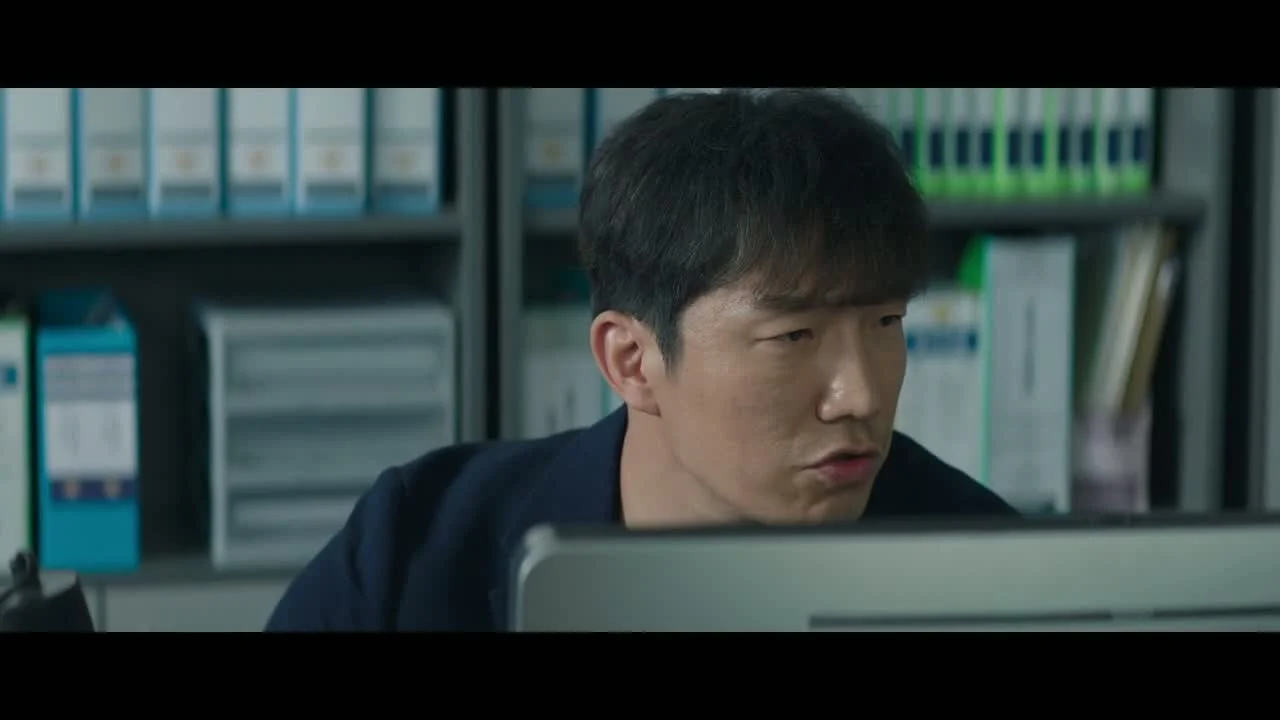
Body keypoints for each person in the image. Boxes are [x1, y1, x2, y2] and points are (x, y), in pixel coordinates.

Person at [265, 88, 1019, 632]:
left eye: (886, 322)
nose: (860, 395)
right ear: (630, 360)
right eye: (795, 336)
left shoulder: (996, 569)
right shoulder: (416, 547)